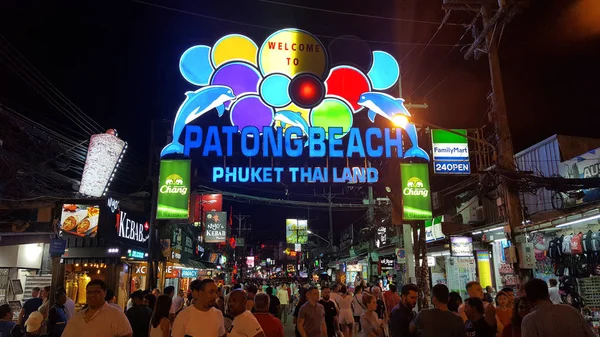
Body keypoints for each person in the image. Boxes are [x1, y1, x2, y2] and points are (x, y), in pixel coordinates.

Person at [521, 278, 595, 337]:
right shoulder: (571, 310)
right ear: (547, 294)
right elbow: (589, 334)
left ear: (528, 298)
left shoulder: (529, 321)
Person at [61, 279, 133, 337]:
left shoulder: (116, 314)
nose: (92, 295)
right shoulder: (78, 316)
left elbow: (126, 334)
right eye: (89, 292)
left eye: (97, 292)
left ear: (105, 293)